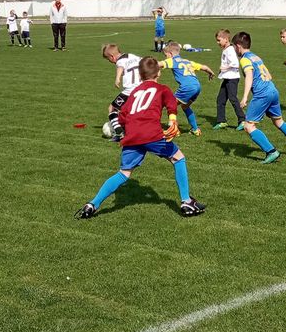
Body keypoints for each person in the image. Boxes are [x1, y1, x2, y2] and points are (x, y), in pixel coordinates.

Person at [75, 57, 205, 219]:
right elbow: (171, 102)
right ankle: (186, 202)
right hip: (151, 133)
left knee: (124, 173)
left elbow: (123, 115)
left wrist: (122, 130)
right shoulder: (162, 89)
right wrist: (172, 119)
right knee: (178, 158)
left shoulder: (135, 92)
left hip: (132, 136)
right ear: (158, 73)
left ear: (140, 75)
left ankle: (92, 204)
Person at [233, 31, 286, 163]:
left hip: (262, 93)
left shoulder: (244, 59)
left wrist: (245, 97)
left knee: (248, 126)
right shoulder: (256, 57)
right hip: (272, 89)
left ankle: (271, 151)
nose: (234, 50)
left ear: (238, 46)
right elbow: (269, 75)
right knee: (279, 122)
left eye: (234, 47)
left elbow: (249, 76)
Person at [159, 41, 216, 135]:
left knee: (171, 104)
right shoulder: (187, 61)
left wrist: (146, 66)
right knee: (185, 106)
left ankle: (174, 130)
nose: (166, 57)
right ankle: (195, 129)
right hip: (197, 86)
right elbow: (204, 67)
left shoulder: (172, 60)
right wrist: (211, 73)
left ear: (171, 54)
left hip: (187, 87)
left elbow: (159, 64)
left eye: (166, 55)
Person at [101, 43, 142, 142]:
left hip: (130, 90)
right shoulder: (133, 56)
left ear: (112, 56)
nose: (110, 62)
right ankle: (134, 131)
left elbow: (120, 67)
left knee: (112, 108)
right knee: (132, 111)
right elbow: (146, 62)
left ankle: (119, 133)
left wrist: (117, 78)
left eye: (108, 59)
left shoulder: (120, 61)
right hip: (142, 88)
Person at [212, 29, 245, 130]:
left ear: (226, 39)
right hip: (227, 77)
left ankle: (242, 120)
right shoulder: (226, 49)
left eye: (219, 40)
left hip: (232, 78)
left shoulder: (230, 50)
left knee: (233, 98)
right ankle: (222, 121)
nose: (218, 43)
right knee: (220, 100)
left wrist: (224, 68)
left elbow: (235, 64)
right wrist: (222, 72)